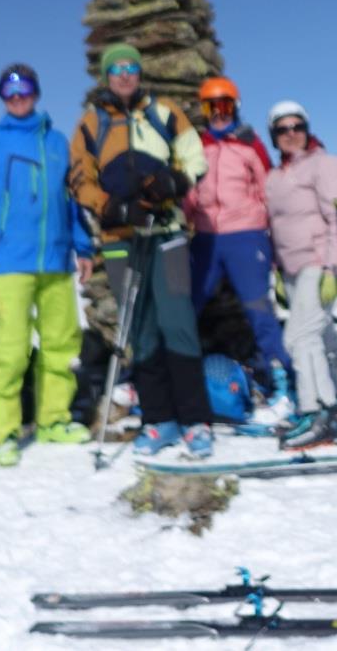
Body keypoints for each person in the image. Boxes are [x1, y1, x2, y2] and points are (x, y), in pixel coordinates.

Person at [70, 43, 212, 457]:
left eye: (131, 66)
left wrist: (176, 181)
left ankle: (195, 419)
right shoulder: (91, 124)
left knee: (178, 321)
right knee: (140, 329)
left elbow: (194, 156)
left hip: (167, 232)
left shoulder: (164, 112)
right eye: (116, 68)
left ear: (139, 72)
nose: (124, 74)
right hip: (120, 239)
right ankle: (159, 420)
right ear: (106, 75)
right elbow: (80, 178)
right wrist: (111, 207)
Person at [0, 64, 96, 466]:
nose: (18, 97)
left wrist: (83, 248)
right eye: (9, 90)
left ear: (36, 92)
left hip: (56, 260)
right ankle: (2, 432)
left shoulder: (57, 142)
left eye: (24, 89)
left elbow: (71, 202)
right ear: (2, 96)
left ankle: (53, 419)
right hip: (10, 263)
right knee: (12, 348)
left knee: (61, 344)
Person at [264, 100, 337, 450]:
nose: (291, 134)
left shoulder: (325, 164)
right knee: (321, 332)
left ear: (307, 130)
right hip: (291, 267)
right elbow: (275, 225)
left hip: (319, 262)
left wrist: (333, 268)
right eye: (283, 129)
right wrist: (278, 270)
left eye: (297, 127)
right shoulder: (274, 177)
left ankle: (318, 412)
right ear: (274, 136)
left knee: (299, 338)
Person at [182, 77, 293, 408]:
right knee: (186, 308)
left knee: (258, 309)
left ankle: (282, 381)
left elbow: (268, 191)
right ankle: (179, 378)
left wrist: (273, 240)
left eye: (225, 106)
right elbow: (190, 192)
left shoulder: (250, 146)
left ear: (235, 108)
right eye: (211, 108)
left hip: (246, 235)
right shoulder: (197, 147)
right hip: (206, 238)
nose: (219, 114)